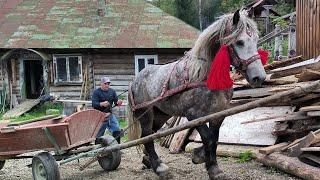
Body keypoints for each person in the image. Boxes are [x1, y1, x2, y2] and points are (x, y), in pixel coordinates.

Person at [92, 76, 123, 143]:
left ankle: (117, 146)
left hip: (109, 114)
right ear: (101, 84)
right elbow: (94, 104)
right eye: (105, 83)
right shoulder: (96, 92)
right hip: (100, 116)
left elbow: (116, 102)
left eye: (108, 84)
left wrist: (118, 102)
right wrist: (101, 104)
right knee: (99, 133)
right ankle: (97, 150)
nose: (107, 85)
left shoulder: (112, 91)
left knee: (116, 129)